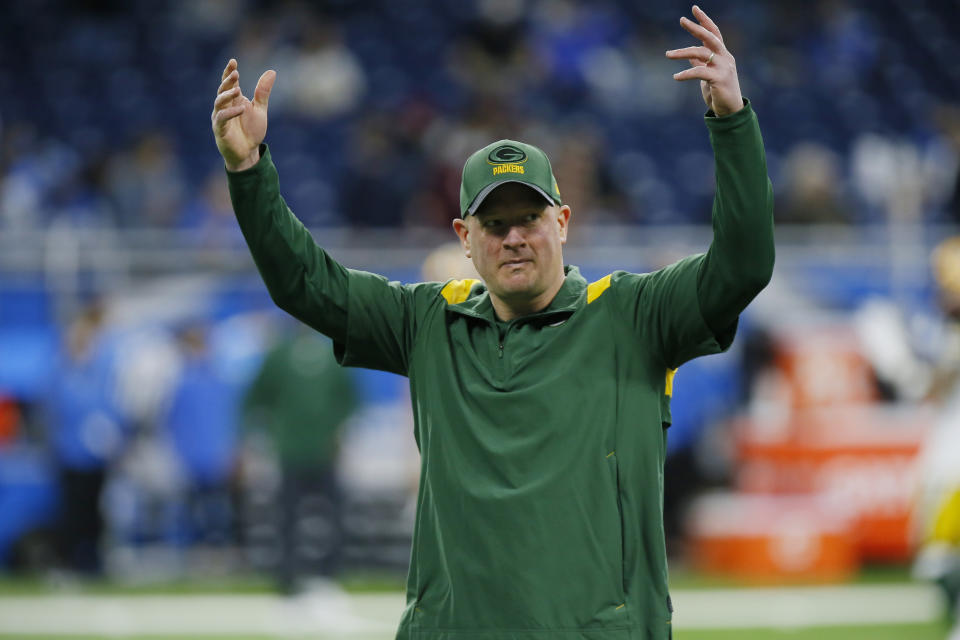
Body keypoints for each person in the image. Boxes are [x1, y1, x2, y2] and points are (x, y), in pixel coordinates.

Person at [212, 6, 774, 639]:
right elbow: (306, 285)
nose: (514, 238)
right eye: (495, 223)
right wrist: (248, 171)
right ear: (464, 237)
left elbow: (743, 265)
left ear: (562, 223)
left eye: (530, 219)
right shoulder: (430, 321)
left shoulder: (633, 315)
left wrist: (730, 121)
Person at [241, 322, 358, 594]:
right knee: (287, 516)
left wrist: (338, 430)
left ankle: (330, 573)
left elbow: (349, 399)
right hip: (291, 450)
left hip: (325, 450)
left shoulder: (333, 353)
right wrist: (265, 432)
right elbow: (256, 397)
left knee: (334, 513)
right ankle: (288, 577)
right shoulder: (279, 355)